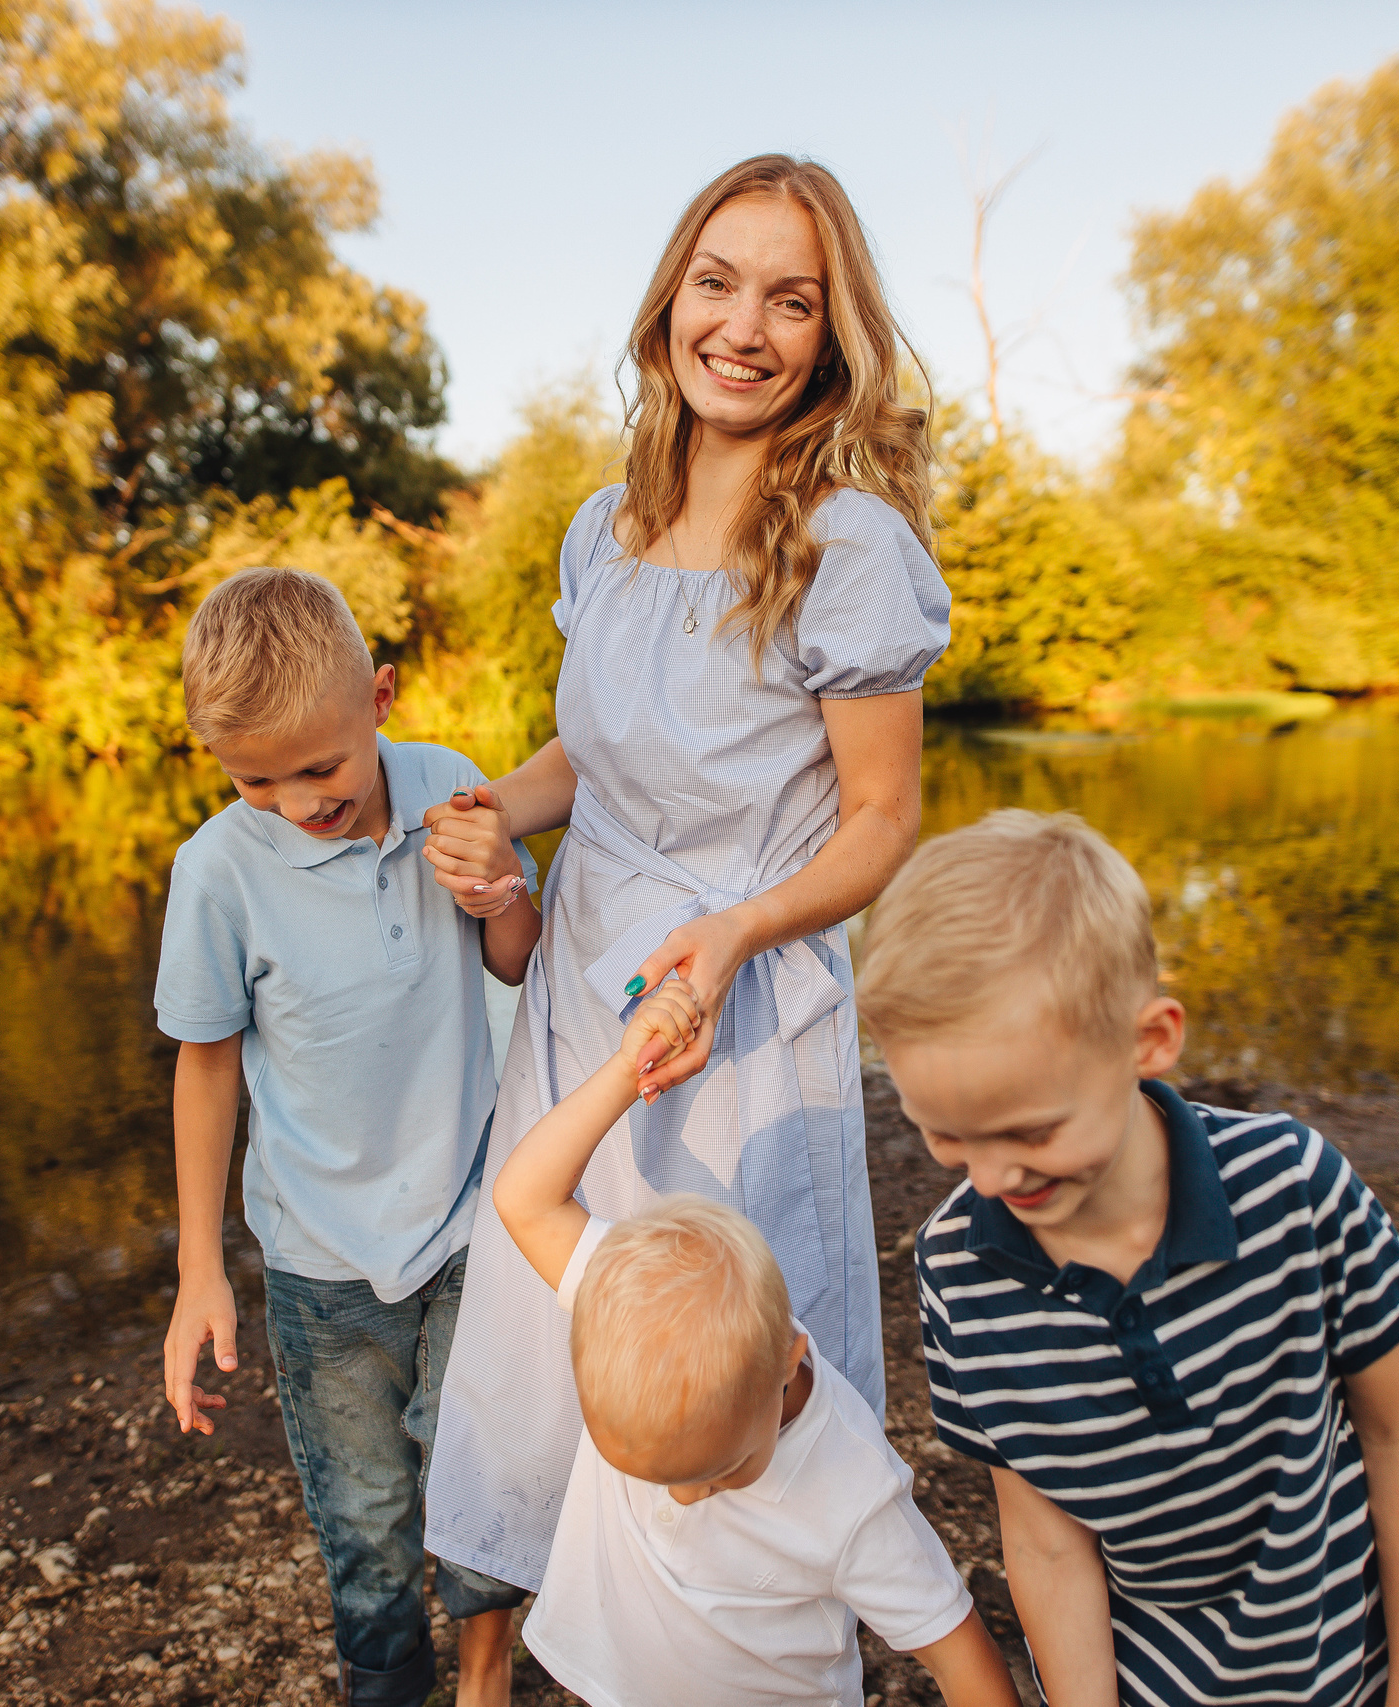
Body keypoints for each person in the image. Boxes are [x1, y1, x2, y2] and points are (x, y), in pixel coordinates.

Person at [421, 152, 949, 1593]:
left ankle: (749, 1627)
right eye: (718, 283)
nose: (746, 325)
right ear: (668, 308)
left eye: (792, 298)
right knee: (569, 1311)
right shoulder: (605, 526)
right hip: (588, 985)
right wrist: (491, 813)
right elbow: (582, 758)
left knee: (726, 1340)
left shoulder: (850, 542)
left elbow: (883, 820)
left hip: (738, 1008)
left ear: (829, 340)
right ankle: (605, 1618)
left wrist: (734, 933)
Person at [859, 812, 1399, 1707]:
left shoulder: (1293, 1187)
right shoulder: (958, 1268)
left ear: (1150, 1041)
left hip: (1345, 1670)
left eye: (1030, 1131)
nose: (988, 1177)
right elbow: (1046, 1537)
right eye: (943, 1133)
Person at [153, 569, 540, 1707]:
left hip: (471, 1223)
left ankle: (485, 1676)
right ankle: (384, 1686)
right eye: (255, 779)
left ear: (380, 697)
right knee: (363, 1518)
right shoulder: (220, 871)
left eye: (319, 767)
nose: (298, 800)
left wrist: (500, 888)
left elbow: (515, 961)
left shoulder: (453, 790)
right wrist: (197, 1269)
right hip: (320, 1266)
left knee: (481, 1472)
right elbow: (207, 1065)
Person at [489, 973, 1022, 1707]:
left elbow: (960, 1652)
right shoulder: (629, 1305)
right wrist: (624, 1070)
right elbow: (523, 1195)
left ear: (787, 1364)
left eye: (719, 1468)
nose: (685, 1495)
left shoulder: (849, 1488)